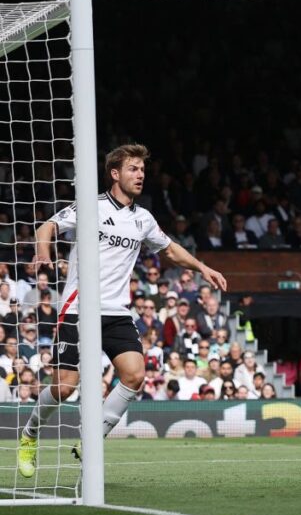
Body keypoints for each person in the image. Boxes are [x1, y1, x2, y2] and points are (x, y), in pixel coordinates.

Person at [19, 144, 227, 477]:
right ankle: (29, 434)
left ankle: (92, 441)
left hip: (116, 311)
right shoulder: (91, 207)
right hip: (77, 309)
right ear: (115, 174)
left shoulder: (142, 219)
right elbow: (47, 228)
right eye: (133, 169)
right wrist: (43, 252)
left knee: (134, 375)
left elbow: (170, 250)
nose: (140, 174)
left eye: (142, 169)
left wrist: (203, 268)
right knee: (63, 388)